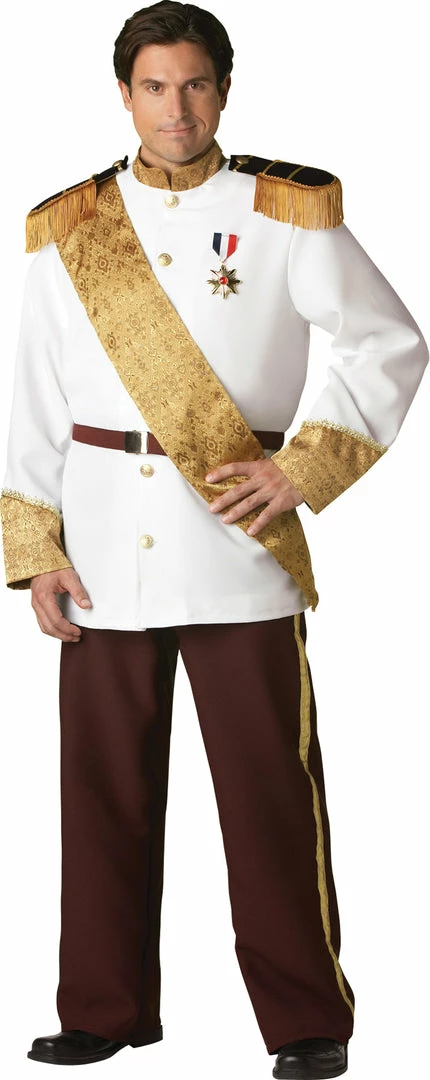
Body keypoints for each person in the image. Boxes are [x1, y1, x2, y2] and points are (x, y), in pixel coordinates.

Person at [0, 1, 428, 1076]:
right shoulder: (69, 227)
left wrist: (305, 467)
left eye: (194, 84)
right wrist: (34, 545)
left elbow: (387, 341)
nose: (176, 108)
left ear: (223, 89)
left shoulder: (286, 211)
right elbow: (31, 395)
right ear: (124, 95)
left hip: (236, 543)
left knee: (269, 792)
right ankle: (102, 1008)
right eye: (154, 87)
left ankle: (307, 1022)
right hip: (101, 546)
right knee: (100, 790)